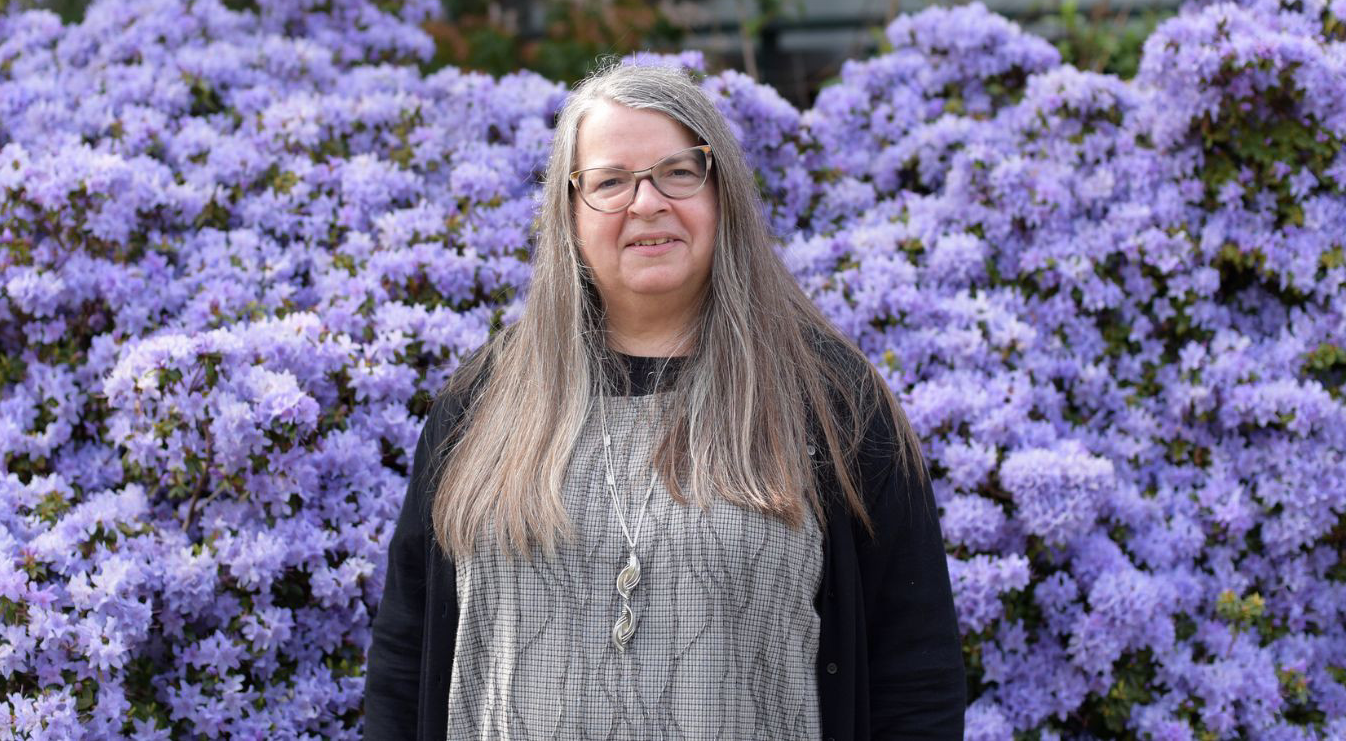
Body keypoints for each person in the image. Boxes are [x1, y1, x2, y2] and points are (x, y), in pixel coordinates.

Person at [364, 61, 966, 740]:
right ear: (568, 210)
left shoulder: (832, 404)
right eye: (611, 181)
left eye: (679, 173)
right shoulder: (483, 402)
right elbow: (403, 660)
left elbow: (916, 679)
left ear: (723, 193)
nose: (646, 202)